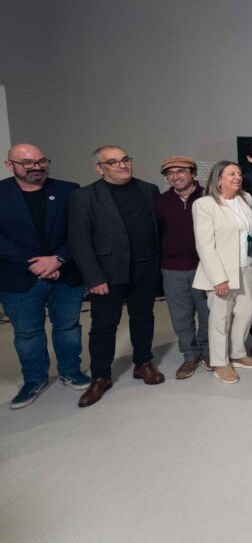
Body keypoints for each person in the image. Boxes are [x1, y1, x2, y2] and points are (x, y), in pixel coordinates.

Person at [69, 145, 165, 407]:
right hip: (108, 274)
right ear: (99, 168)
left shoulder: (148, 190)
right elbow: (79, 240)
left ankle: (143, 363)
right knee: (103, 326)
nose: (122, 165)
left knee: (143, 317)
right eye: (113, 162)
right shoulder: (84, 197)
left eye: (125, 159)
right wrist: (94, 277)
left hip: (145, 269)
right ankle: (101, 376)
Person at [1, 144, 89, 409]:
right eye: (27, 163)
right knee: (27, 334)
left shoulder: (68, 190)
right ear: (10, 165)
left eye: (41, 161)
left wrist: (58, 258)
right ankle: (34, 380)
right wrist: (35, 264)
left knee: (68, 327)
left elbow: (80, 230)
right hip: (18, 277)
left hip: (65, 273)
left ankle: (70, 371)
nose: (36, 167)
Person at [192, 161, 252, 384]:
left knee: (246, 312)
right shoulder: (204, 204)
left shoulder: (245, 198)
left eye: (239, 173)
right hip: (222, 272)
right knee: (220, 319)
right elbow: (205, 245)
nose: (237, 177)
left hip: (247, 267)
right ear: (218, 179)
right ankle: (220, 362)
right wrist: (218, 279)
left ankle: (237, 352)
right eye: (231, 174)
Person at [154, 155, 209, 380]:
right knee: (181, 316)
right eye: (170, 173)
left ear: (193, 173)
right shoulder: (161, 201)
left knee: (207, 313)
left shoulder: (208, 196)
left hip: (204, 267)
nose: (175, 176)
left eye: (180, 171)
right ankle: (190, 356)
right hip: (173, 268)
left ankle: (208, 352)